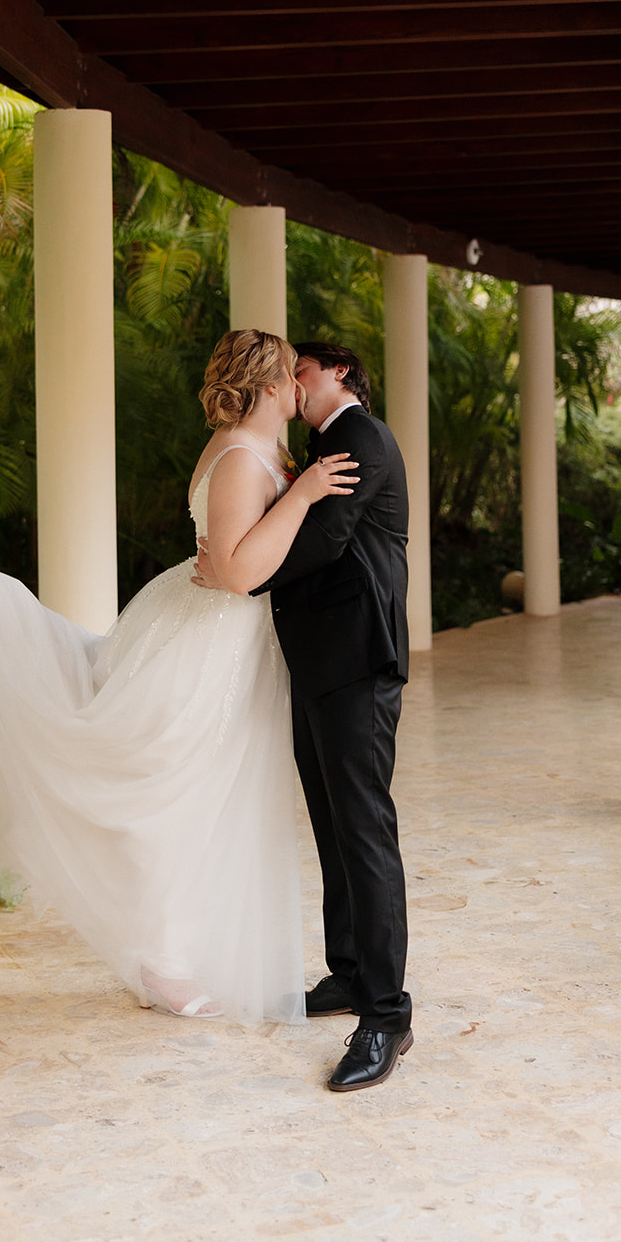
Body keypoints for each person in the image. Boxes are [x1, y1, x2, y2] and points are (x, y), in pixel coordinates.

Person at [0, 330, 357, 1029]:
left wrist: (295, 489)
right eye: (291, 375)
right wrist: (300, 497)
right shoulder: (244, 458)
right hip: (207, 641)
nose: (302, 386)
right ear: (271, 385)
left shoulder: (268, 449)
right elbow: (239, 573)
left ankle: (174, 950)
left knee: (207, 798)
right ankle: (161, 960)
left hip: (225, 636)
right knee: (173, 795)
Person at [195, 342, 412, 1091]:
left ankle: (386, 1015)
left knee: (362, 831)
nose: (295, 382)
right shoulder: (314, 448)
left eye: (305, 371)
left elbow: (324, 541)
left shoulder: (359, 438)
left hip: (356, 659)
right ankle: (349, 974)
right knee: (329, 823)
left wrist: (235, 571)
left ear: (340, 375)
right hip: (317, 659)